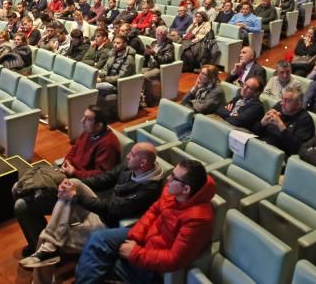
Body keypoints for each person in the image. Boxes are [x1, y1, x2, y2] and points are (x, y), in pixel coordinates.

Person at [19, 142, 164, 269]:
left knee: (50, 240)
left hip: (111, 224)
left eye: (132, 155)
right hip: (101, 210)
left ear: (143, 163)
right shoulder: (130, 167)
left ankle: (47, 253)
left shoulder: (149, 189)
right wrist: (70, 186)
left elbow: (114, 208)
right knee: (74, 183)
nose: (127, 157)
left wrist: (76, 196)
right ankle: (50, 248)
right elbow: (105, 179)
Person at [75, 159, 216, 284]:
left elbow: (174, 259)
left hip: (156, 262)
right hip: (146, 238)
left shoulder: (198, 219)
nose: (168, 180)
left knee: (98, 263)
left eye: (173, 178)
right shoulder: (171, 191)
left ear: (186, 189)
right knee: (98, 239)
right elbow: (153, 211)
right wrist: (135, 237)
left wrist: (135, 253)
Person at [13, 105, 121, 254]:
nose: (82, 121)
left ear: (99, 125)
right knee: (22, 194)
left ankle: (44, 249)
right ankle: (39, 244)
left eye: (87, 119)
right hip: (66, 178)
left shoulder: (108, 144)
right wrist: (67, 163)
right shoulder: (88, 133)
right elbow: (74, 150)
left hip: (79, 192)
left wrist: (74, 172)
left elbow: (101, 176)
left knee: (22, 205)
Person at [253, 86, 316, 157]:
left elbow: (296, 149)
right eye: (282, 99)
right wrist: (262, 123)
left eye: (287, 100)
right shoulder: (278, 107)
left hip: (279, 154)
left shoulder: (305, 120)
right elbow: (255, 133)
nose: (282, 103)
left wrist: (281, 125)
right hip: (261, 145)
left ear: (298, 104)